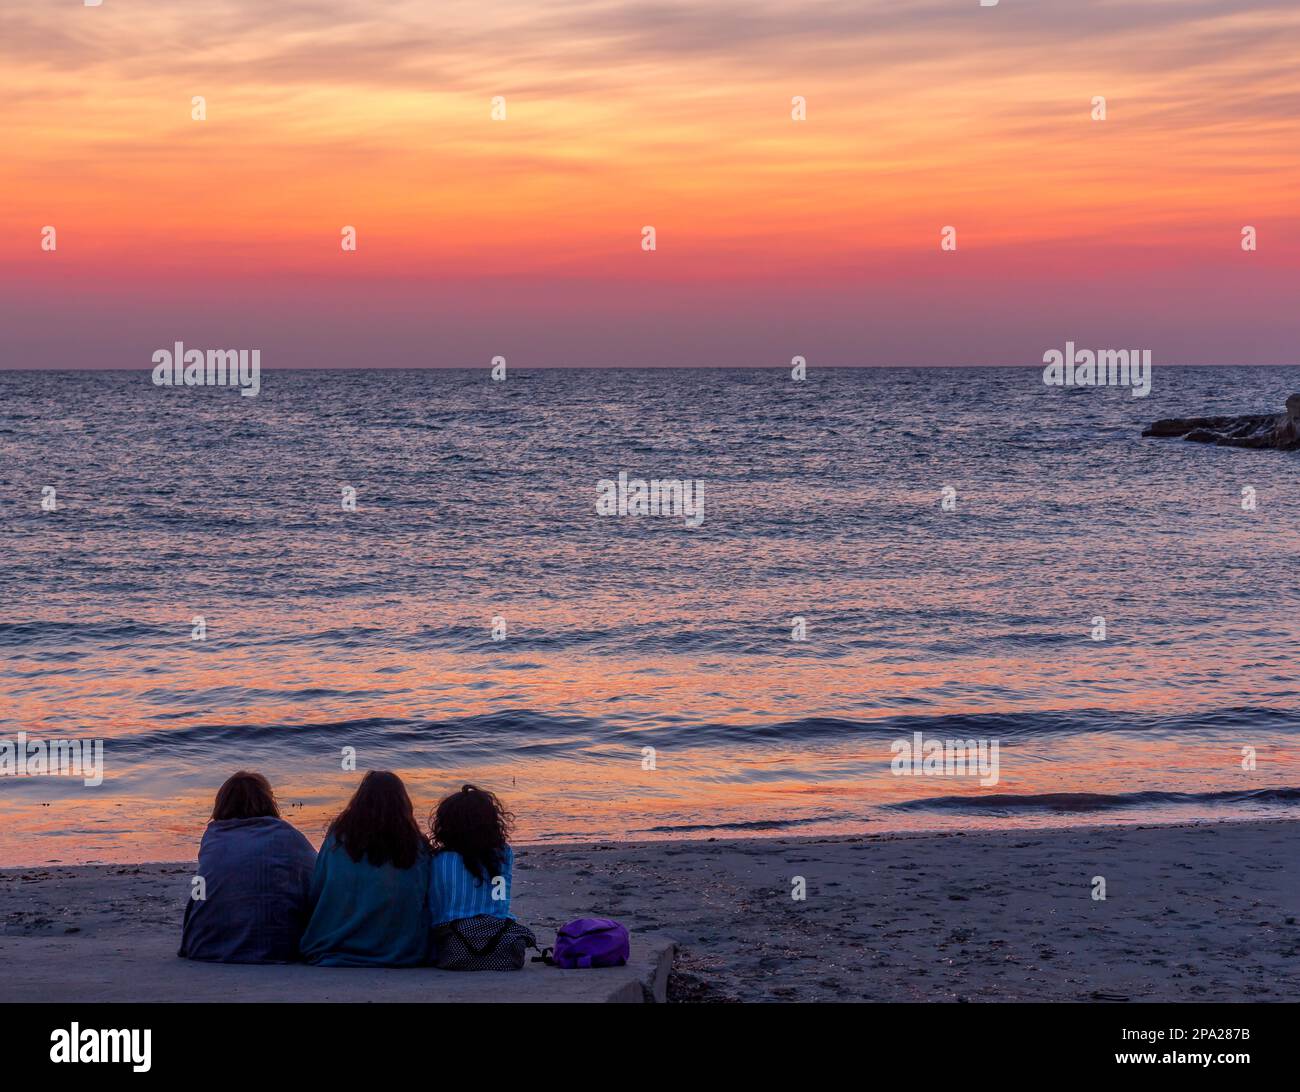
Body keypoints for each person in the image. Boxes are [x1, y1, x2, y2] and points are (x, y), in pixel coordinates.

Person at [178, 770, 316, 964]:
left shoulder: (214, 836)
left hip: (205, 946)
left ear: (221, 802)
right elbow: (317, 881)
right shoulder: (288, 836)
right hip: (279, 947)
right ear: (269, 801)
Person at [299, 771, 431, 967]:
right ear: (403, 803)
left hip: (335, 943)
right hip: (402, 949)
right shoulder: (416, 845)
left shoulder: (338, 839)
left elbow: (318, 889)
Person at [428, 783, 515, 929]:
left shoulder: (438, 860)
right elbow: (500, 899)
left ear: (445, 825)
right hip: (497, 934)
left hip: (451, 938)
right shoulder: (502, 853)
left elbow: (435, 908)